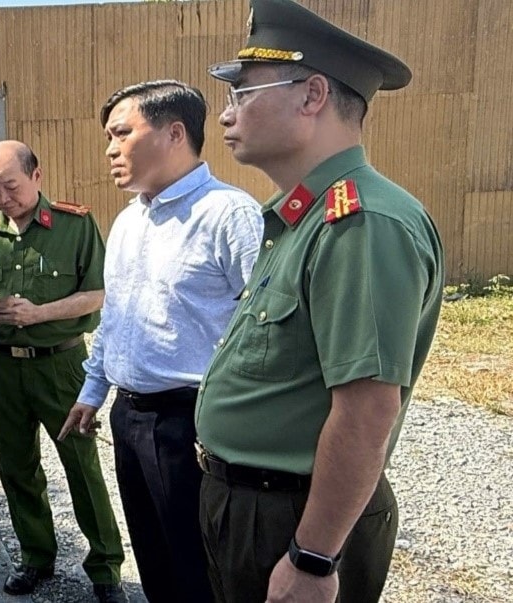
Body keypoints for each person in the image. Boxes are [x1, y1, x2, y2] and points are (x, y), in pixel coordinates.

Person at [194, 1, 445, 601]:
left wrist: (312, 558)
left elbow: (365, 412)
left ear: (311, 96)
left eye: (244, 92)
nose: (227, 114)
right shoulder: (303, 217)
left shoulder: (362, 223)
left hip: (292, 519)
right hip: (253, 505)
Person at [58, 80, 263, 603]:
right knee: (153, 557)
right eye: (108, 136)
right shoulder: (129, 221)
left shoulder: (229, 215)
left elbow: (264, 328)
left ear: (175, 133)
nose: (109, 149)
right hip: (131, 418)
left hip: (193, 422)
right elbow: (117, 315)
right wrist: (93, 390)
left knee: (199, 564)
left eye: (121, 133)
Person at [0, 141, 127, 603]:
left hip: (61, 363)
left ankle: (106, 568)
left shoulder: (74, 225)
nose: (2, 198)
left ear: (36, 176)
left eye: (10, 186)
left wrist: (40, 313)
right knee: (16, 465)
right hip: (2, 368)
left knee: (81, 464)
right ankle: (36, 555)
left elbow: (97, 294)